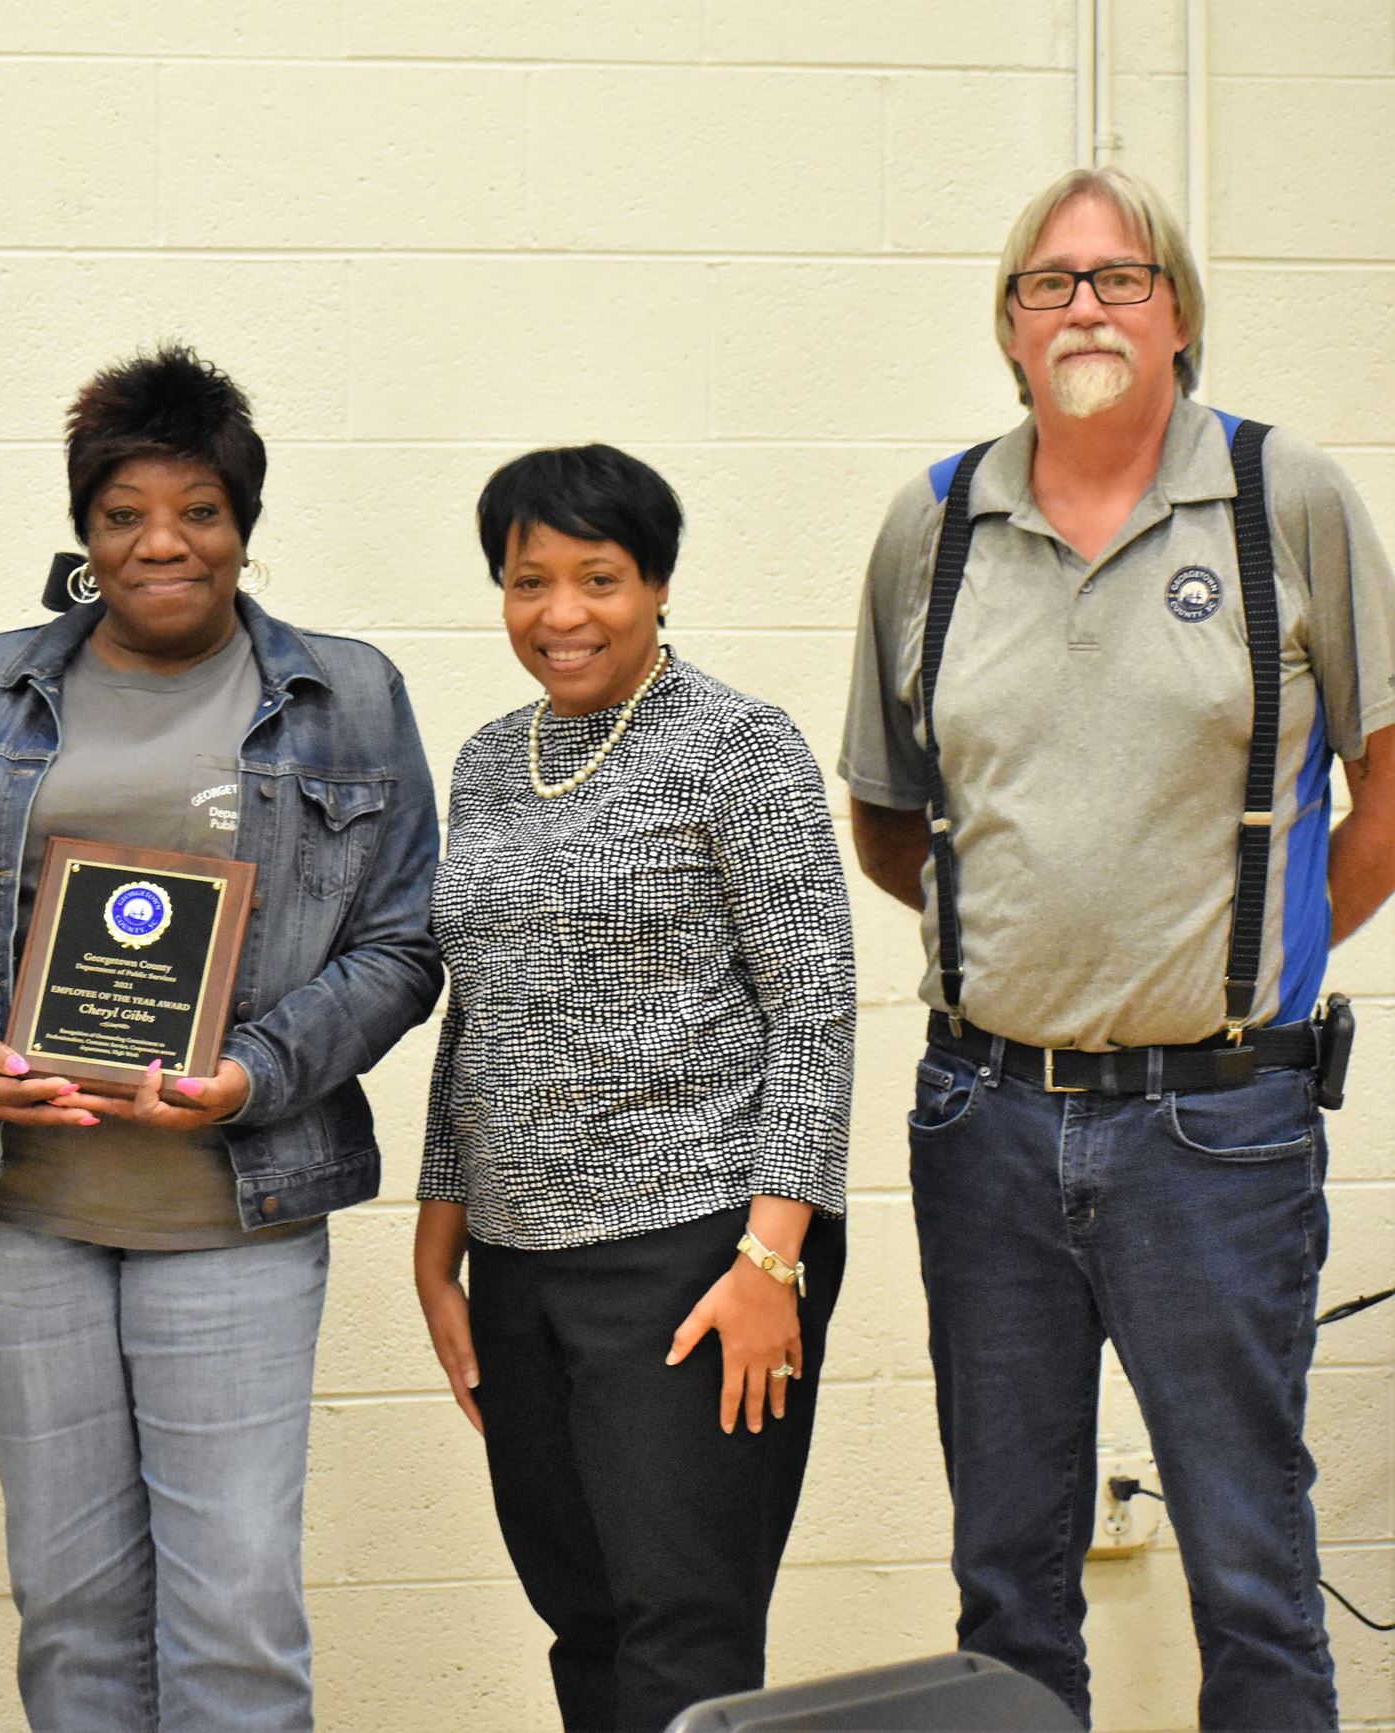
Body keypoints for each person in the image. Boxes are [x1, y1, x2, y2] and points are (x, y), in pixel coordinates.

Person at [842, 165, 1395, 1729]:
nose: (1084, 304)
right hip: (982, 1122)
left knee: (1250, 1568)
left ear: (1178, 317)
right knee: (1007, 1575)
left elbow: (1389, 785)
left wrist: (1256, 950)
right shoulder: (931, 527)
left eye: (1120, 277)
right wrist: (1029, 953)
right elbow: (895, 823)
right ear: (1011, 330)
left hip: (1220, 1128)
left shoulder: (1290, 502)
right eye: (1050, 283)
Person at [0, 346, 440, 1730]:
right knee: (70, 1612)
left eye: (197, 509)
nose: (160, 542)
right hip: (25, 1211)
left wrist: (261, 1070)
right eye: (123, 512)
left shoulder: (345, 697)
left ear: (245, 524)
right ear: (84, 529)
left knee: (235, 1617)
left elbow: (404, 944)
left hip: (235, 1209)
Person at [415, 443, 856, 1732]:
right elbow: (475, 1010)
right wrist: (441, 1250)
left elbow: (816, 1007)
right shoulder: (493, 760)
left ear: (656, 583)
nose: (561, 615)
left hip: (695, 1255)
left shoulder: (738, 745)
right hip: (517, 1260)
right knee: (583, 1615)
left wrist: (774, 1257)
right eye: (527, 580)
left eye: (597, 578)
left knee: (683, 1622)